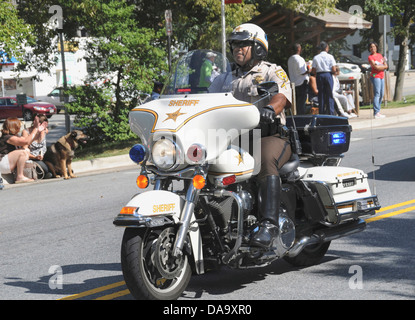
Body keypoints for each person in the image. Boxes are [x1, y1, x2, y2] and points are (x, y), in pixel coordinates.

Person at [227, 23, 292, 248]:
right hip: (233, 138)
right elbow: (203, 98)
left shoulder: (272, 71)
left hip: (270, 137)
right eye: (235, 44)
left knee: (264, 159)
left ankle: (269, 224)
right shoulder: (225, 78)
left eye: (244, 44)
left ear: (258, 47)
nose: (238, 48)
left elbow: (282, 96)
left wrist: (270, 109)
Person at [0, 117, 46, 184]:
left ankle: (20, 175)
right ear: (14, 127)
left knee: (25, 150)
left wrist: (37, 132)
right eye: (18, 127)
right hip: (3, 164)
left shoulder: (14, 136)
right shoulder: (7, 137)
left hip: (7, 163)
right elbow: (26, 141)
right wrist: (35, 128)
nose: (19, 129)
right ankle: (20, 176)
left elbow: (28, 141)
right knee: (23, 152)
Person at [22, 114, 52, 179]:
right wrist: (35, 157)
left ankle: (57, 172)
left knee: (54, 162)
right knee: (44, 168)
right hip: (33, 158)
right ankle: (47, 174)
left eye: (45, 124)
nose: (44, 127)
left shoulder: (45, 130)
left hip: (44, 156)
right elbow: (24, 148)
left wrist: (41, 132)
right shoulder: (26, 132)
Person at [311, 41, 337, 115]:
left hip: (320, 75)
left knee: (321, 95)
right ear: (326, 48)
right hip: (328, 75)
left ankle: (322, 113)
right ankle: (330, 113)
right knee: (329, 94)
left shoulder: (316, 57)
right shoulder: (330, 56)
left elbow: (313, 70)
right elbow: (334, 69)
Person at [368, 42, 388, 119]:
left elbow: (386, 65)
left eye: (374, 46)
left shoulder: (380, 55)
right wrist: (382, 66)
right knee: (377, 93)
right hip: (375, 76)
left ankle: (378, 111)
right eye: (371, 47)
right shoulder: (370, 57)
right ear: (369, 49)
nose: (373, 48)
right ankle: (376, 112)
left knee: (381, 94)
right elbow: (376, 67)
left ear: (376, 47)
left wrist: (381, 66)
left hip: (381, 76)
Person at [287, 43, 309, 114]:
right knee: (301, 103)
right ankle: (301, 117)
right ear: (299, 49)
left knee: (295, 103)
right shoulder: (299, 58)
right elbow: (302, 71)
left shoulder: (290, 59)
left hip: (294, 83)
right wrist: (309, 70)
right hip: (301, 82)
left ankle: (296, 116)